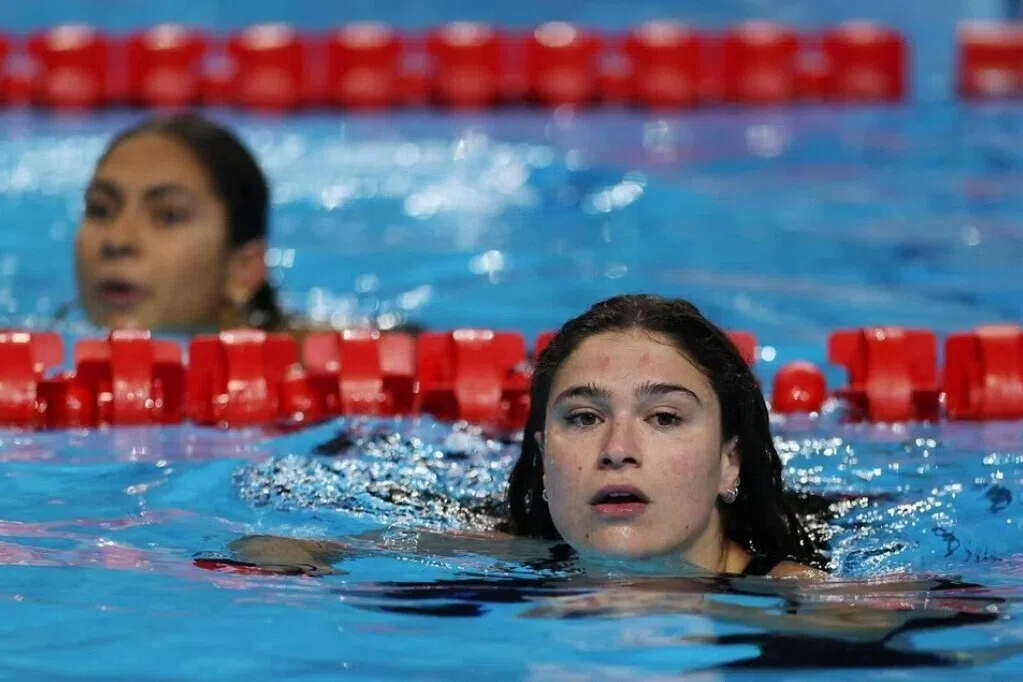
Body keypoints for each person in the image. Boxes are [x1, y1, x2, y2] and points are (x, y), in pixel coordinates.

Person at [224, 294, 826, 579]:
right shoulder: (509, 558)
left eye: (664, 418)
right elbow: (274, 549)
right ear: (542, 458)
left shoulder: (799, 600)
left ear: (729, 463)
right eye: (583, 418)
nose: (617, 449)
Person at [72, 113, 286, 333]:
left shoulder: (300, 352)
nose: (117, 241)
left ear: (244, 267)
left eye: (168, 216)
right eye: (99, 210)